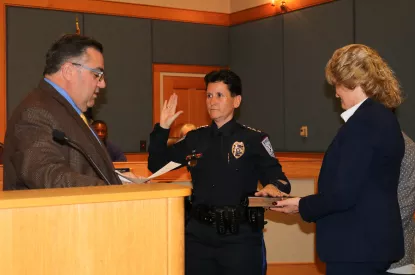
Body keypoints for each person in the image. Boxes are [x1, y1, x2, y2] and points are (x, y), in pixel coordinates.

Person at [272, 44, 405, 275]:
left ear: (352, 81)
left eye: (336, 85)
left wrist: (301, 205)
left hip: (356, 247)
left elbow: (344, 194)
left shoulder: (364, 123)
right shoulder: (383, 117)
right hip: (369, 244)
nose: (335, 93)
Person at [148, 69, 290, 275]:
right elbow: (157, 165)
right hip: (198, 237)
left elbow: (281, 180)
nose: (212, 101)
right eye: (209, 95)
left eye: (220, 95)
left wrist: (272, 186)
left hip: (239, 238)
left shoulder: (253, 140)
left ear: (236, 101)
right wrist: (162, 128)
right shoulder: (195, 139)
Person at [3, 34, 122, 189]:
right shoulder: (35, 112)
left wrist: (120, 181)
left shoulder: (64, 109)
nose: (103, 84)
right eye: (96, 75)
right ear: (68, 71)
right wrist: (110, 189)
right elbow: (47, 174)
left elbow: (83, 169)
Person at [388, 133, 415, 275]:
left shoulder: (407, 148)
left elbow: (404, 207)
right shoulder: (357, 143)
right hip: (360, 257)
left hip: (397, 263)